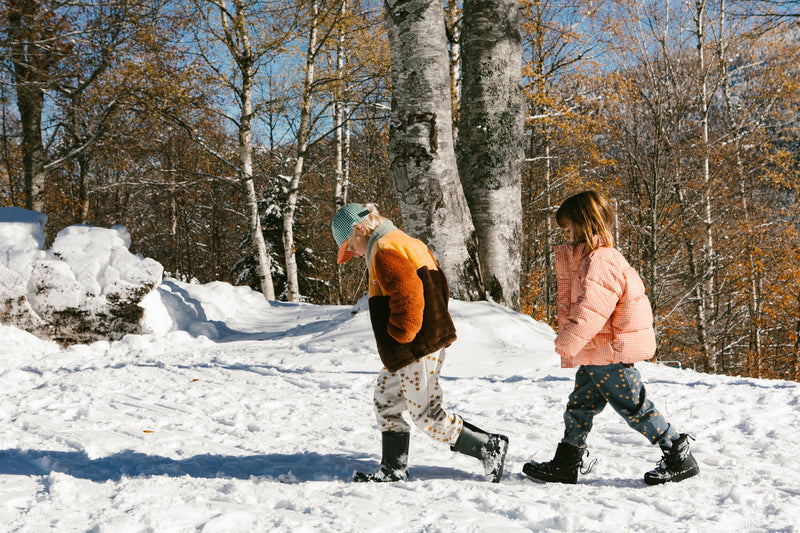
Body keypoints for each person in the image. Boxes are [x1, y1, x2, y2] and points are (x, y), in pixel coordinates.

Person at [522, 190, 699, 486]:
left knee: (633, 406)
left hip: (609, 352)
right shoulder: (591, 258)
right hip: (596, 353)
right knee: (579, 406)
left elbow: (592, 309)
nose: (565, 235)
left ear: (585, 223)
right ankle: (567, 462)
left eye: (568, 228)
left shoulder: (601, 261)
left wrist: (567, 340)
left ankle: (678, 454)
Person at [332, 202, 508, 483]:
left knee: (427, 415)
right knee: (386, 400)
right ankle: (393, 467)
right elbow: (441, 285)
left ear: (360, 229)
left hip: (413, 346)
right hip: (415, 346)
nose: (352, 253)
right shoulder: (407, 242)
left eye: (350, 245)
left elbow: (409, 294)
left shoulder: (384, 249)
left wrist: (401, 334)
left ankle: (489, 446)